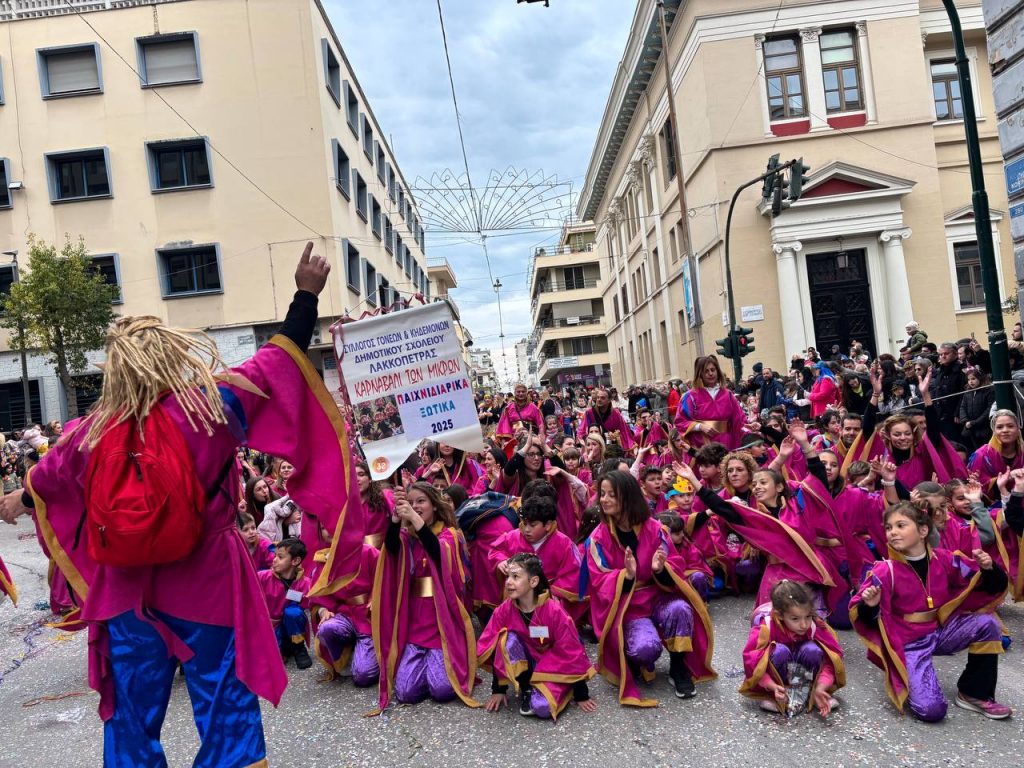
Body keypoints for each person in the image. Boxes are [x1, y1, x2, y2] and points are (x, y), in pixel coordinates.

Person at [0, 243, 365, 767]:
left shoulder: (89, 431)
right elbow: (279, 357)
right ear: (174, 355)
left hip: (126, 590)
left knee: (129, 714)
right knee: (223, 700)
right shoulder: (210, 409)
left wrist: (16, 498)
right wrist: (306, 294)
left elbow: (43, 483)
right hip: (207, 580)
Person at [850, 502, 1011, 721]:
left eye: (900, 525)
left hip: (941, 631)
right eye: (888, 528)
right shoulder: (884, 570)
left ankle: (973, 693)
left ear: (923, 530)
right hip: (909, 643)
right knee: (932, 711)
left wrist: (989, 568)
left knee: (988, 624)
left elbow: (981, 583)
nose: (892, 532)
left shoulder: (946, 559)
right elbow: (862, 617)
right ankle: (909, 673)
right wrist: (870, 605)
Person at [583, 470, 715, 706]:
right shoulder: (597, 538)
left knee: (680, 609)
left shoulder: (656, 529)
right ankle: (635, 659)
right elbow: (598, 579)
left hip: (657, 595)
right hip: (628, 605)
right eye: (602, 494)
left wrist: (659, 569)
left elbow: (676, 563)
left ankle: (678, 667)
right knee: (646, 649)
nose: (604, 500)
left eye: (611, 495)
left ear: (629, 497)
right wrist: (626, 574)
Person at [372, 481, 478, 710]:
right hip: (415, 617)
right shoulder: (407, 536)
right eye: (410, 502)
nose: (415, 506)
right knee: (405, 692)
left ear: (435, 506)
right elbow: (391, 550)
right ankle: (424, 663)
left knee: (442, 690)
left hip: (442, 618)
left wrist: (414, 518)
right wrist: (395, 520)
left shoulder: (450, 534)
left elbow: (437, 551)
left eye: (421, 501)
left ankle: (438, 663)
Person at [480, 553, 596, 719]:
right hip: (527, 662)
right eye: (508, 577)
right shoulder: (504, 610)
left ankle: (564, 684)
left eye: (515, 577)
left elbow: (570, 649)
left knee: (542, 708)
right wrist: (498, 689)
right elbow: (494, 646)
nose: (508, 582)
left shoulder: (554, 611)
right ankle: (527, 686)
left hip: (553, 663)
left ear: (533, 582)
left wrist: (581, 693)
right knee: (506, 640)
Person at [739, 580, 844, 716]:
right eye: (795, 619)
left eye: (807, 616)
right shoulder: (766, 627)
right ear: (779, 615)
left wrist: (822, 685)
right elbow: (752, 662)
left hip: (806, 674)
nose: (804, 624)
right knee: (779, 651)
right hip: (777, 677)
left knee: (813, 650)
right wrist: (771, 685)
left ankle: (814, 692)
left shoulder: (815, 626)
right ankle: (776, 694)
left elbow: (832, 659)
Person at [311, 542, 380, 686]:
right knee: (327, 629)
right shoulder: (324, 558)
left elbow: (384, 577)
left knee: (363, 676)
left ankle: (367, 654)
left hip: (369, 617)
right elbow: (319, 595)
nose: (329, 531)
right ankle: (346, 658)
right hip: (345, 614)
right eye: (324, 528)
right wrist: (324, 610)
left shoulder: (368, 551)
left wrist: (376, 598)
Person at [257, 538, 313, 669]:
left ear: (295, 561)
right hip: (269, 628)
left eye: (280, 557)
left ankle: (299, 647)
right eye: (275, 555)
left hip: (292, 628)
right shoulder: (262, 577)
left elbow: (315, 603)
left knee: (293, 612)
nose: (274, 559)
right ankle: (283, 649)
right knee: (268, 661)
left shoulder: (305, 584)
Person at [675, 355, 747, 450]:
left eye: (713, 370)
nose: (710, 373)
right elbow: (680, 421)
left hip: (726, 444)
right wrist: (700, 426)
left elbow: (739, 420)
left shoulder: (728, 394)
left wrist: (749, 430)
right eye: (706, 371)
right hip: (702, 444)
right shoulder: (690, 396)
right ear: (700, 374)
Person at [968, 410, 1024, 497]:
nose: (1005, 430)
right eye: (1000, 427)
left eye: (1010, 426)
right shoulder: (981, 455)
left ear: (1018, 429)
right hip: (992, 506)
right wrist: (1008, 477)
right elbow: (977, 486)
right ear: (994, 431)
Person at [578, 387, 635, 452]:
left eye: (603, 398)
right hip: (594, 447)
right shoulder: (589, 413)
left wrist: (615, 436)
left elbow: (623, 431)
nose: (599, 400)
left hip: (611, 447)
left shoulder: (615, 413)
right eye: (598, 397)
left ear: (609, 400)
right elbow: (582, 432)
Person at [931, 343, 967, 443]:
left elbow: (964, 393)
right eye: (940, 354)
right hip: (941, 414)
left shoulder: (961, 369)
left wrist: (958, 412)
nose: (943, 356)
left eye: (946, 353)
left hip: (955, 414)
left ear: (955, 354)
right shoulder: (940, 371)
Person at [495, 383, 546, 451]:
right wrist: (506, 442)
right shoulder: (508, 408)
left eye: (523, 391)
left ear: (526, 393)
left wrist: (540, 436)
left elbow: (540, 424)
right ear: (514, 393)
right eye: (518, 392)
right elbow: (504, 426)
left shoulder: (533, 407)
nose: (521, 393)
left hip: (531, 438)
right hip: (514, 440)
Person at [958, 369, 994, 452]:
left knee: (987, 449)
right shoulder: (968, 392)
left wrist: (975, 422)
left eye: (973, 379)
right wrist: (965, 420)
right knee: (976, 451)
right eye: (969, 379)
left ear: (980, 378)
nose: (971, 382)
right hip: (971, 428)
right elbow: (962, 407)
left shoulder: (988, 391)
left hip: (984, 428)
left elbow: (989, 409)